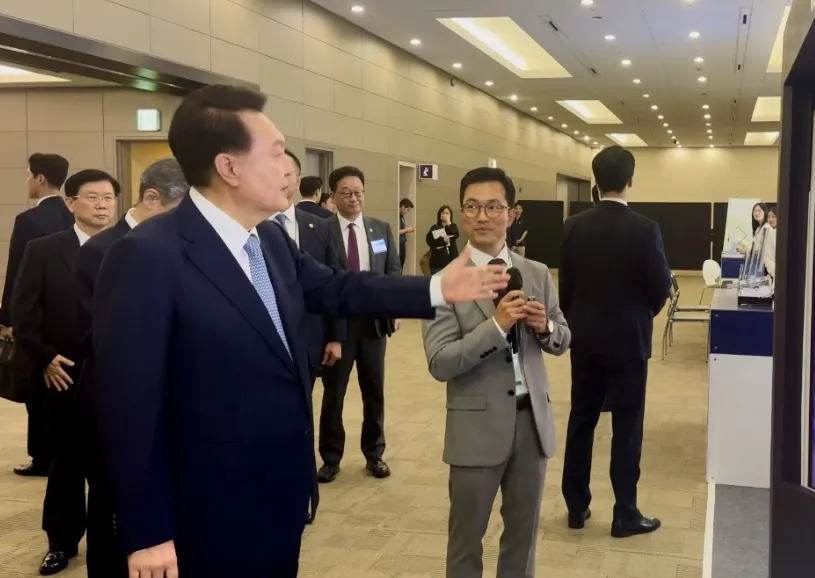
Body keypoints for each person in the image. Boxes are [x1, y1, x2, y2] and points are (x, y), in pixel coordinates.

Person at [91, 84, 508, 578]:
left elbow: (339, 288)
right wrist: (147, 531)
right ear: (229, 167)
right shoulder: (147, 256)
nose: (288, 170)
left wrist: (437, 288)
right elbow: (128, 407)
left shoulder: (267, 239)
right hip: (199, 517)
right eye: (274, 154)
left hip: (277, 499)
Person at [422, 167, 570, 578]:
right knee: (466, 544)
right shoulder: (444, 282)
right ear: (461, 213)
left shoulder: (536, 272)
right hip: (476, 429)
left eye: (493, 207)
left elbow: (563, 336)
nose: (482, 216)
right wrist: (497, 326)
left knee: (522, 542)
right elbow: (441, 362)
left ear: (511, 213)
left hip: (532, 424)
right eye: (472, 206)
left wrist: (546, 328)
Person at [73, 158, 189, 578]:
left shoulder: (179, 246)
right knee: (112, 511)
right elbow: (100, 340)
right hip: (117, 404)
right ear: (152, 198)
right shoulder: (104, 252)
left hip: (170, 409)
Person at [559, 145, 671, 538]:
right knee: (627, 426)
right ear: (630, 181)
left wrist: (578, 321)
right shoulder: (645, 228)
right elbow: (660, 288)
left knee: (581, 419)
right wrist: (641, 317)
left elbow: (566, 289)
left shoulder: (573, 226)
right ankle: (625, 512)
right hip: (629, 343)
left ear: (595, 180)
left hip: (584, 339)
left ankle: (576, 506)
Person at [12, 169, 118, 575]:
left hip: (114, 377)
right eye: (92, 197)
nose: (102, 205)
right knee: (66, 465)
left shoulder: (130, 247)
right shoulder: (44, 249)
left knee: (110, 466)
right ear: (71, 203)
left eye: (108, 198)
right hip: (64, 373)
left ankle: (108, 542)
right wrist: (44, 358)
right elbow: (24, 311)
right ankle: (61, 541)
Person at [318, 166, 401, 482]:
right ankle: (330, 457)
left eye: (358, 192)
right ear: (333, 197)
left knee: (374, 391)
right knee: (334, 394)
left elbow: (392, 270)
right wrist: (331, 335)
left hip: (373, 326)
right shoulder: (323, 231)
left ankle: (374, 453)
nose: (353, 198)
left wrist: (394, 306)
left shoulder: (380, 229)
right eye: (346, 193)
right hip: (338, 329)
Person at [2, 152, 72, 477]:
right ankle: (64, 450)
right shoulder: (73, 215)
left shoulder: (29, 221)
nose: (27, 181)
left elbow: (17, 274)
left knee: (35, 389)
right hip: (70, 317)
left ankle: (42, 456)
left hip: (37, 317)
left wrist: (6, 318)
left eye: (28, 174)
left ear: (40, 178)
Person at [273, 152, 342, 388]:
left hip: (309, 337)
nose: (280, 179)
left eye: (286, 173)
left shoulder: (320, 227)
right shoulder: (250, 224)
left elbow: (334, 282)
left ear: (298, 181)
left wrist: (335, 337)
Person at [427, 205, 460, 274]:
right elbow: (430, 241)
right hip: (437, 262)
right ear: (439, 215)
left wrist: (448, 222)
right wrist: (442, 240)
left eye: (447, 213)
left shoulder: (452, 226)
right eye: (443, 213)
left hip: (451, 261)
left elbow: (455, 234)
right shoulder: (434, 227)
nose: (445, 215)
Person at [399, 197, 415, 270]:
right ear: (402, 206)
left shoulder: (402, 217)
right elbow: (396, 231)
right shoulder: (397, 216)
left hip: (402, 243)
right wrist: (407, 229)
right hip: (398, 244)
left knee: (402, 264)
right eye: (407, 210)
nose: (407, 212)